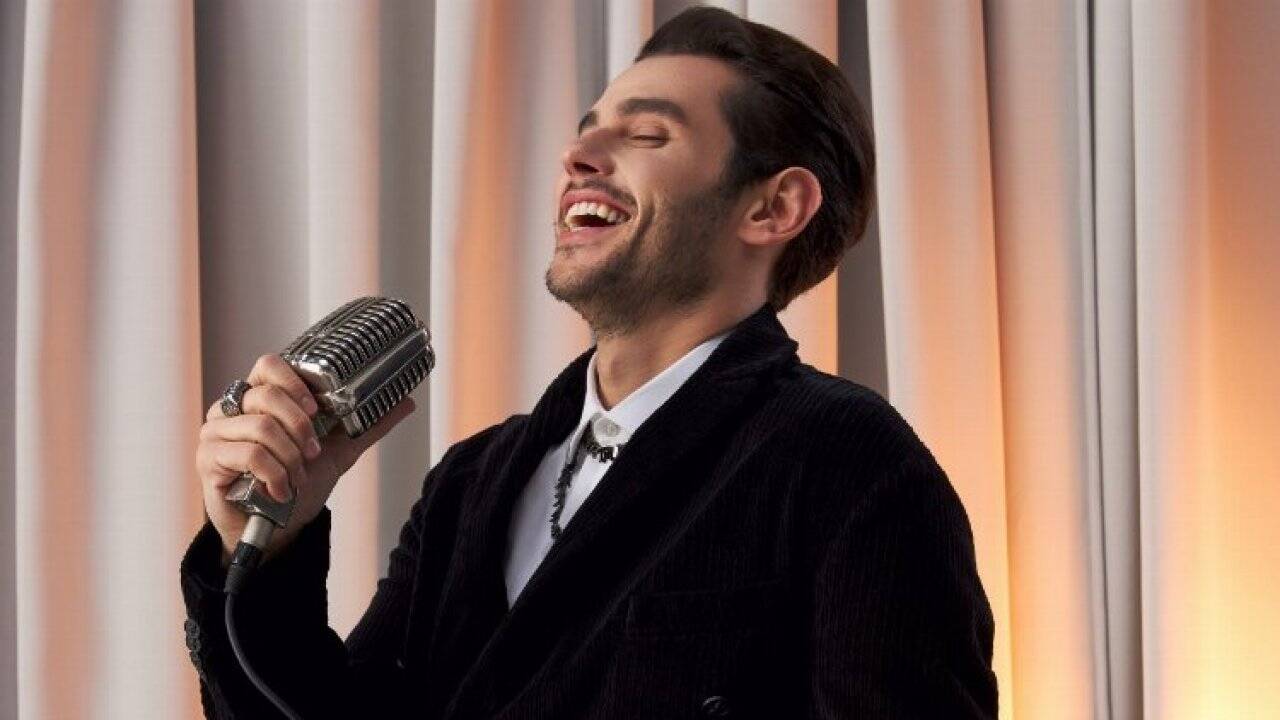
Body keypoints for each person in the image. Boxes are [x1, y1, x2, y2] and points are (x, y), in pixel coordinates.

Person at [181, 7, 997, 718]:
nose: (578, 155)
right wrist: (267, 545)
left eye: (646, 134)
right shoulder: (470, 482)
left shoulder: (849, 462)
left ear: (773, 207)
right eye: (586, 129)